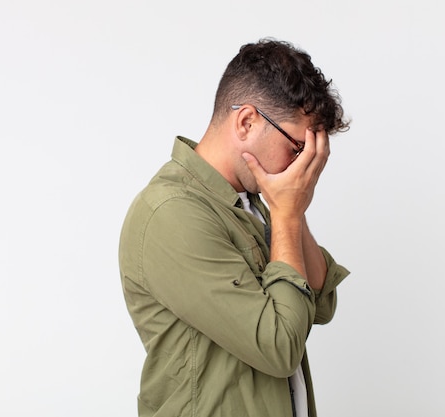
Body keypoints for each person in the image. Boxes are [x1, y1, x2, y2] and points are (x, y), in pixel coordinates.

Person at [118, 38, 351, 417]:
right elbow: (279, 346)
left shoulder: (257, 203)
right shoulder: (171, 213)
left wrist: (291, 208)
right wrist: (288, 214)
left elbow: (321, 302)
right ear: (246, 121)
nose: (303, 167)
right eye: (297, 148)